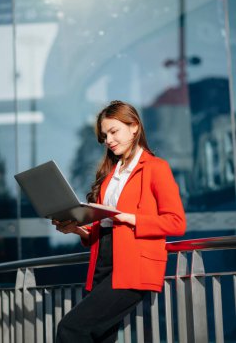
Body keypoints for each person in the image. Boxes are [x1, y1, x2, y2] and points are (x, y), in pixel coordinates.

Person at [53, 100, 186, 343]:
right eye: (105, 136)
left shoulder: (156, 168)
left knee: (71, 329)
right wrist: (78, 230)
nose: (109, 140)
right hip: (103, 266)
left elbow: (176, 222)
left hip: (133, 268)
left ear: (134, 126)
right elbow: (104, 230)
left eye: (114, 131)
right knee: (102, 339)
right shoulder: (109, 177)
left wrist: (130, 218)